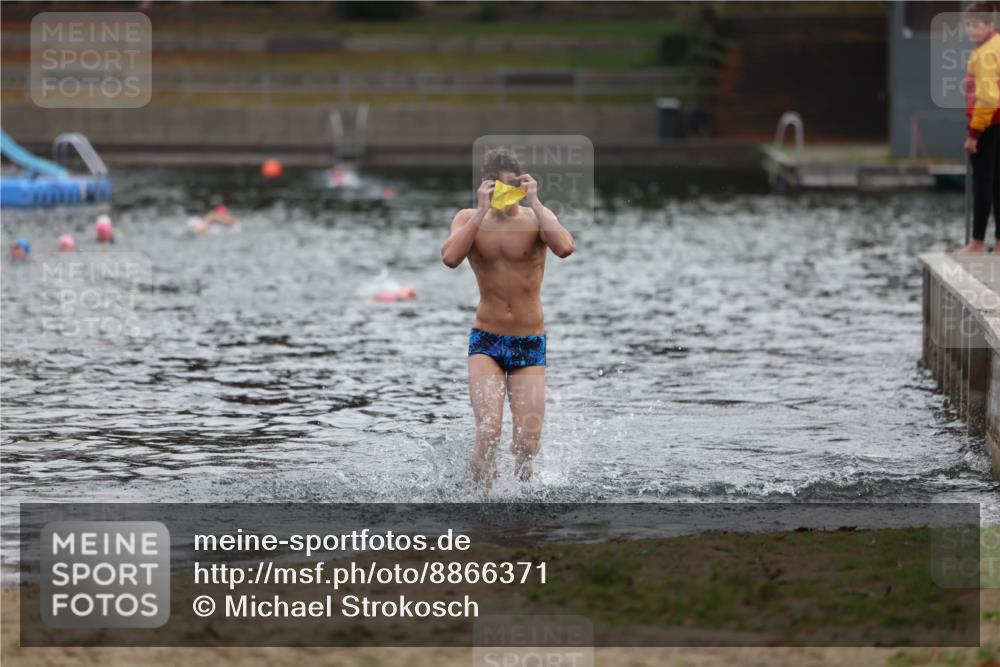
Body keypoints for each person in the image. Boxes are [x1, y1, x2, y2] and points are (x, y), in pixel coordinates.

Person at [441, 147, 574, 486]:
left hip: (529, 343)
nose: (509, 197)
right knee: (488, 432)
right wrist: (481, 211)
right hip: (487, 341)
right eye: (502, 190)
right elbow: (450, 258)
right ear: (487, 186)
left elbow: (565, 247)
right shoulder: (468, 219)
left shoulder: (536, 219)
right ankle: (477, 500)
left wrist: (537, 202)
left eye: (514, 188)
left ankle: (522, 503)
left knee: (526, 443)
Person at [957, 2, 1000, 254]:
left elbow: (987, 98)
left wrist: (974, 134)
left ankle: (977, 242)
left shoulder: (984, 54)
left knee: (982, 182)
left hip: (987, 124)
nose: (971, 30)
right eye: (968, 25)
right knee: (998, 183)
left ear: (989, 25)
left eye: (977, 25)